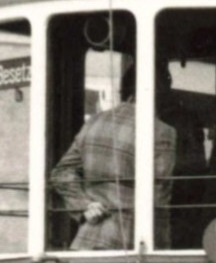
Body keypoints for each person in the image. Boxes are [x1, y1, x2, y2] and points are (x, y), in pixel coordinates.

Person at [50, 62, 176, 250]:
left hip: (87, 240)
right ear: (161, 94)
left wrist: (85, 205)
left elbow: (61, 173)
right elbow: (159, 193)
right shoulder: (162, 131)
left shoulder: (94, 121)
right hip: (130, 242)